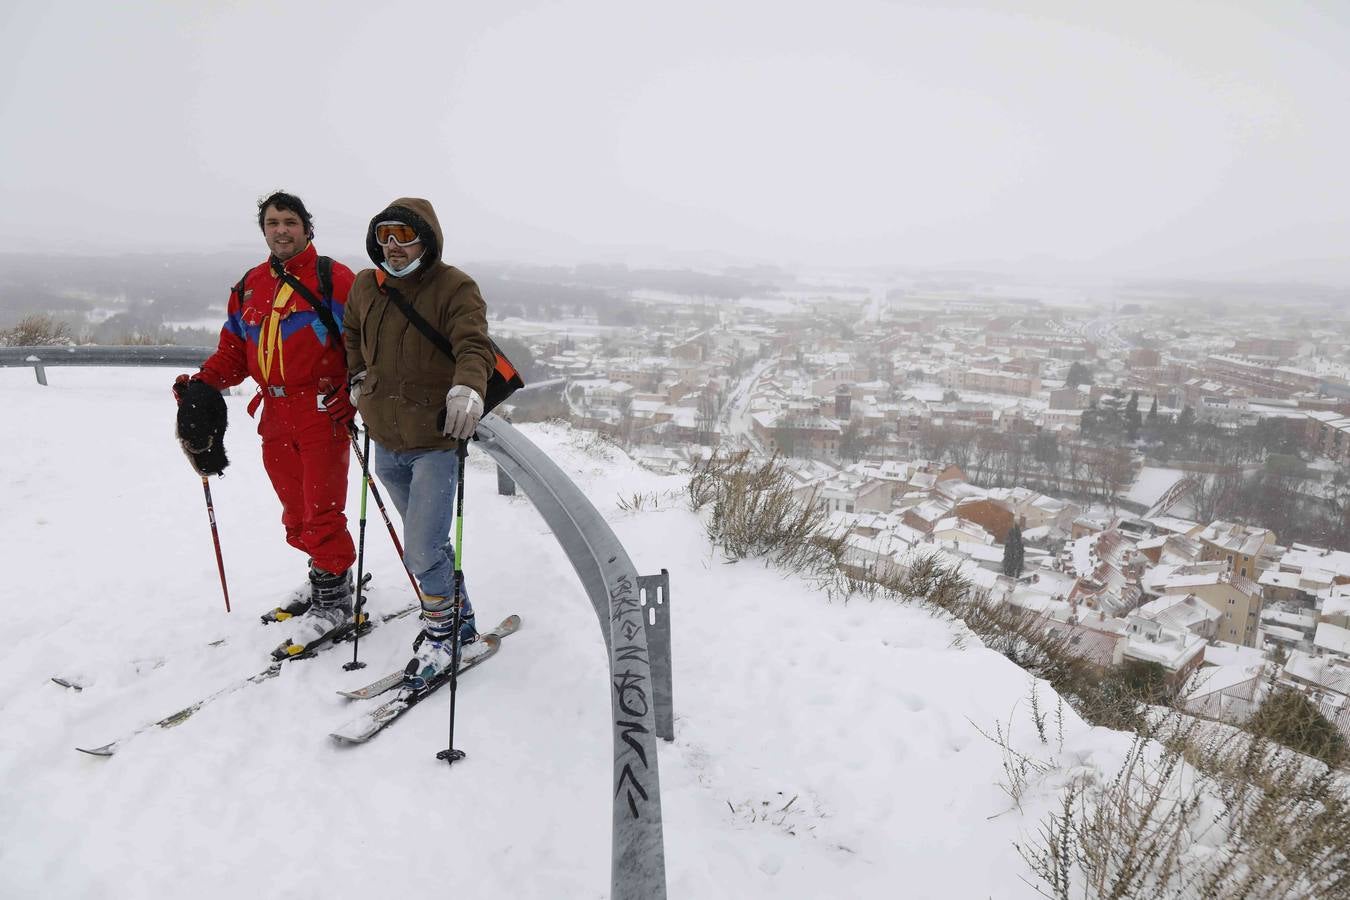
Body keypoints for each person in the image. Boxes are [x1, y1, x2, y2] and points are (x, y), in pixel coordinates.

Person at [174, 191, 360, 658]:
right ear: (264, 230)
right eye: (272, 222)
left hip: (321, 410)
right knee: (296, 514)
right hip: (274, 414)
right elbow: (234, 352)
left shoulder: (334, 279)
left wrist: (354, 390)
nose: (281, 230)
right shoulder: (250, 285)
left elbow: (367, 344)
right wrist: (202, 386)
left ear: (307, 228)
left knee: (321, 510)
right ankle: (326, 576)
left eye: (290, 221)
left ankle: (335, 602)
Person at [342, 197, 496, 687]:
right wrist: (357, 376)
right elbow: (351, 332)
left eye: (404, 235)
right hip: (386, 440)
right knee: (427, 542)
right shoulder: (367, 285)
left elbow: (473, 345)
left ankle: (442, 634)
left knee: (422, 549)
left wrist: (468, 387)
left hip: (435, 439)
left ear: (426, 239)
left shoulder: (454, 286)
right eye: (384, 234)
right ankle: (460, 619)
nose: (393, 245)